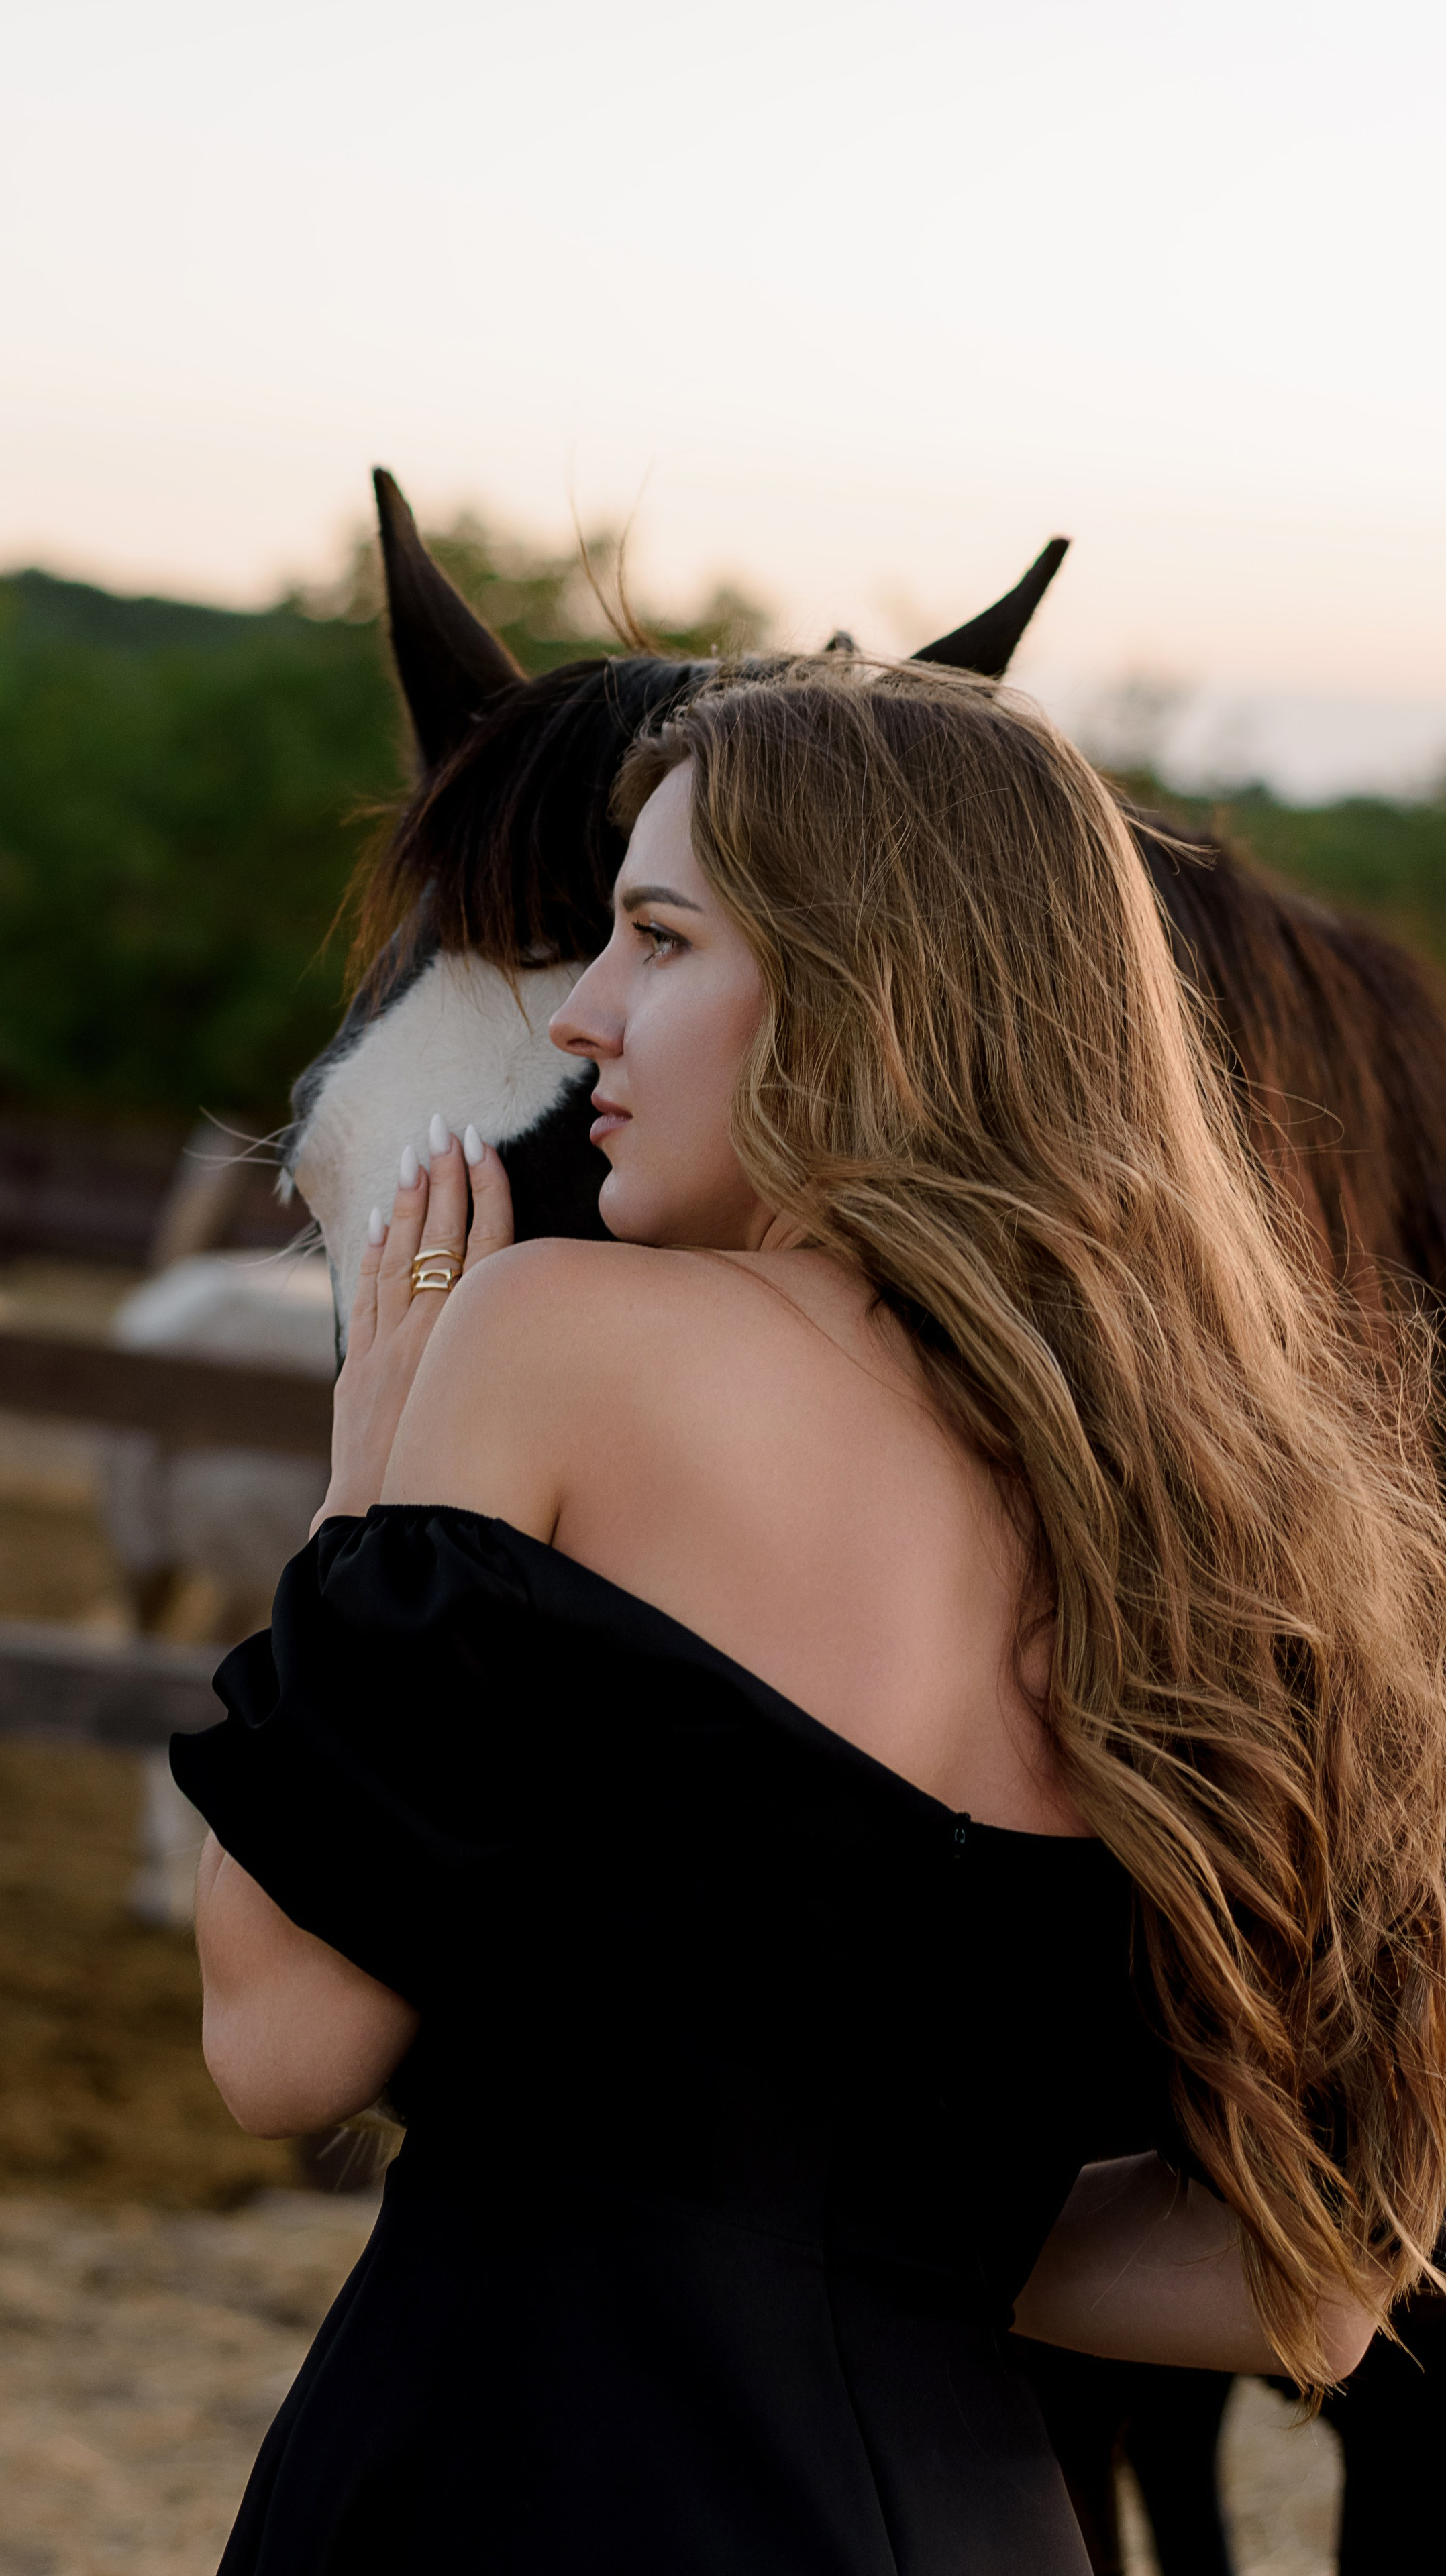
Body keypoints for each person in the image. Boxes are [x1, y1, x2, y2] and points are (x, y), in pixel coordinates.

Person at [174, 662, 1446, 2575]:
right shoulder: (1253, 1520)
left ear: (874, 989)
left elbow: (278, 2046)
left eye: (661, 938)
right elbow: (1314, 2285)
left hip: (512, 2496)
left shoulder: (554, 1339)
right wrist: (869, 2252)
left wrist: (365, 1487)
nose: (585, 1016)